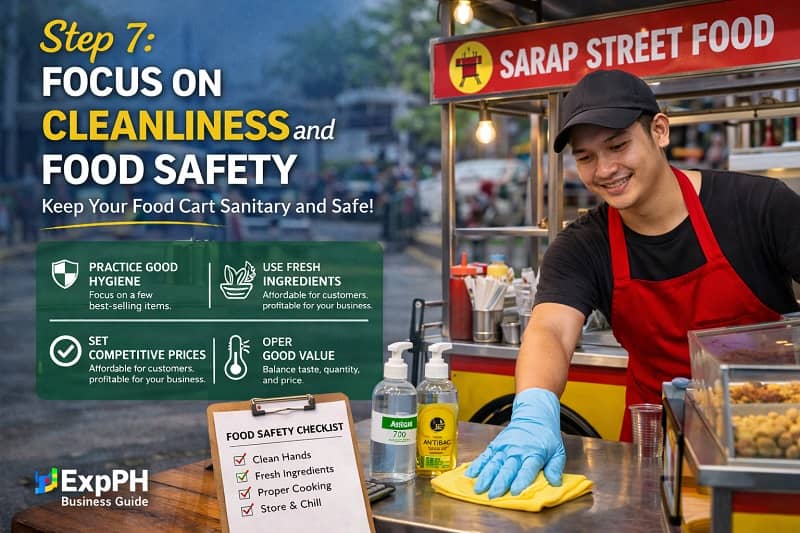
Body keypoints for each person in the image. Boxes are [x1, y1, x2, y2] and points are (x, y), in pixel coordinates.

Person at [465, 69, 800, 499]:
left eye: (618, 145)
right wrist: (533, 411)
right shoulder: (583, 245)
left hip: (769, 437)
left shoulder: (759, 206)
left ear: (659, 130)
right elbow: (550, 329)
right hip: (654, 447)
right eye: (585, 157)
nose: (605, 170)